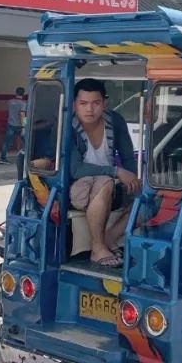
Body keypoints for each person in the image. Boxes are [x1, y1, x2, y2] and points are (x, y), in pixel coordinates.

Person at [69, 78, 140, 267]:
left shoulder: (115, 120)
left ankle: (109, 238)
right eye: (83, 103)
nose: (89, 109)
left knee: (151, 201)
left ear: (104, 103)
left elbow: (127, 158)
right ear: (74, 104)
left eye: (96, 103)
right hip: (77, 189)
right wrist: (116, 172)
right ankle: (98, 248)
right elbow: (75, 169)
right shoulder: (67, 126)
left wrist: (133, 181)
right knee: (105, 181)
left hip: (110, 186)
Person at [0, 87, 27, 165]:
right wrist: (24, 127)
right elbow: (23, 115)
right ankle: (27, 157)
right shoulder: (23, 103)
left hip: (10, 124)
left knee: (6, 142)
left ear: (16, 93)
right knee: (26, 141)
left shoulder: (10, 102)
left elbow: (8, 112)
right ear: (23, 94)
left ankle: (2, 158)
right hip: (19, 126)